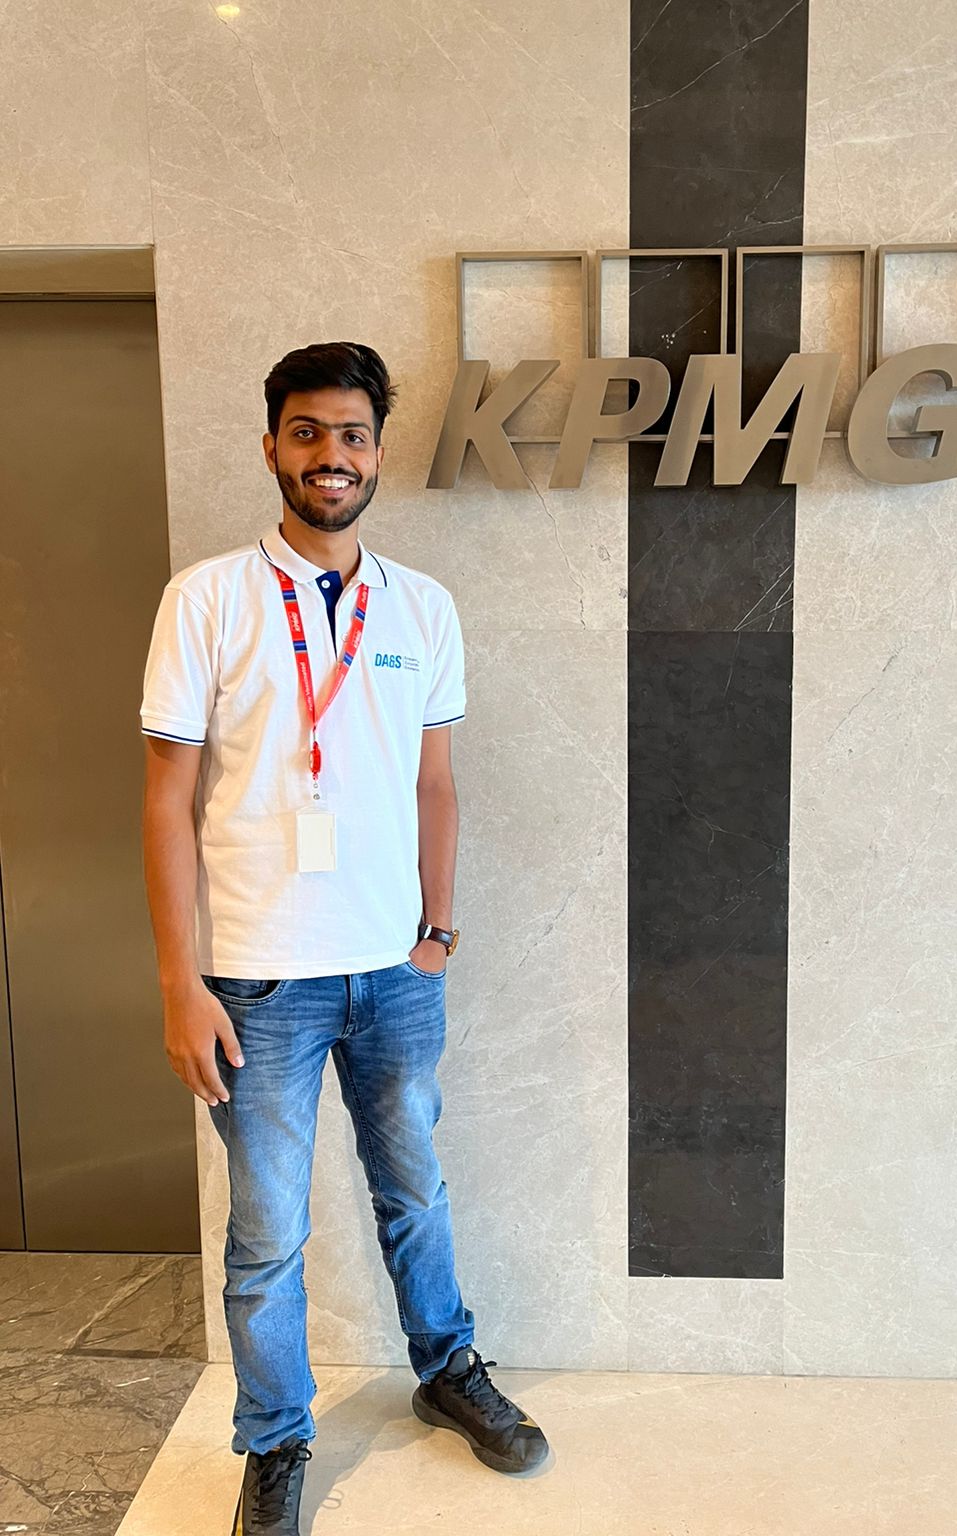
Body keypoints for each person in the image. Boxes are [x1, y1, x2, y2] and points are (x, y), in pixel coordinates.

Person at [139, 341, 549, 1535]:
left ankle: (446, 1369)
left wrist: (438, 932)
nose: (333, 454)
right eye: (308, 431)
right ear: (272, 445)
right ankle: (275, 1438)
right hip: (256, 980)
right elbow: (165, 799)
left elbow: (435, 783)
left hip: (393, 972)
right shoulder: (207, 598)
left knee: (415, 1188)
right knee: (267, 1232)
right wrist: (178, 982)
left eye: (353, 435)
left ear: (375, 453)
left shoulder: (421, 606)